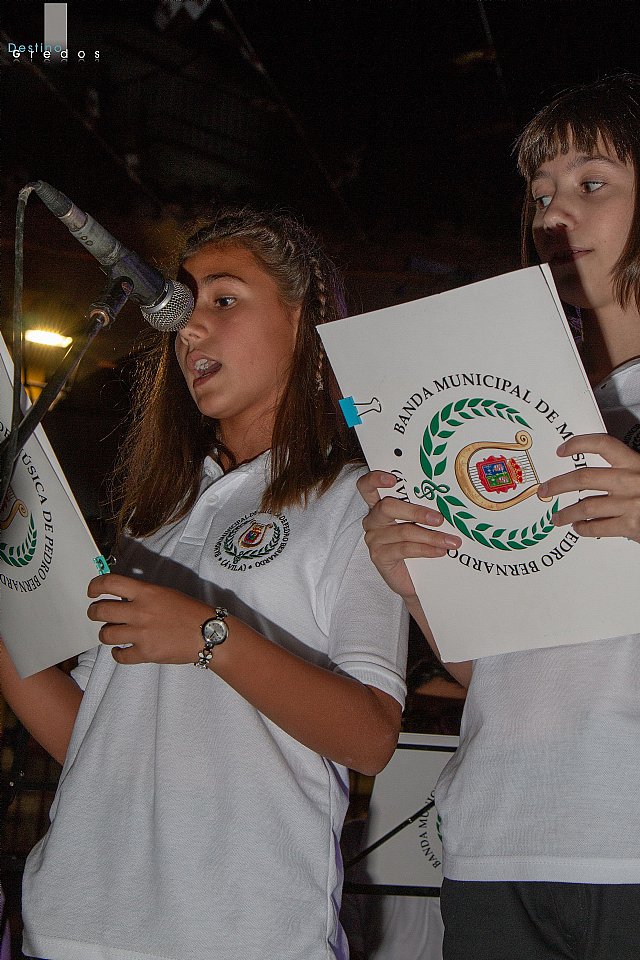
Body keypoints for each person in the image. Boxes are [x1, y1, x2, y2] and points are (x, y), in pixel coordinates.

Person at [0, 206, 408, 960]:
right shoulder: (155, 519)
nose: (188, 329)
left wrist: (211, 639)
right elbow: (89, 737)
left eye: (223, 299)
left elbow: (372, 737)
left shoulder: (357, 500)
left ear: (304, 321)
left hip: (240, 933)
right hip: (71, 926)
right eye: (184, 307)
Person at [357, 73, 640, 959]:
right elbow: (497, 673)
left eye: (592, 184)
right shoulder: (526, 407)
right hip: (496, 837)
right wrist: (419, 580)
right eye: (541, 194)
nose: (556, 215)